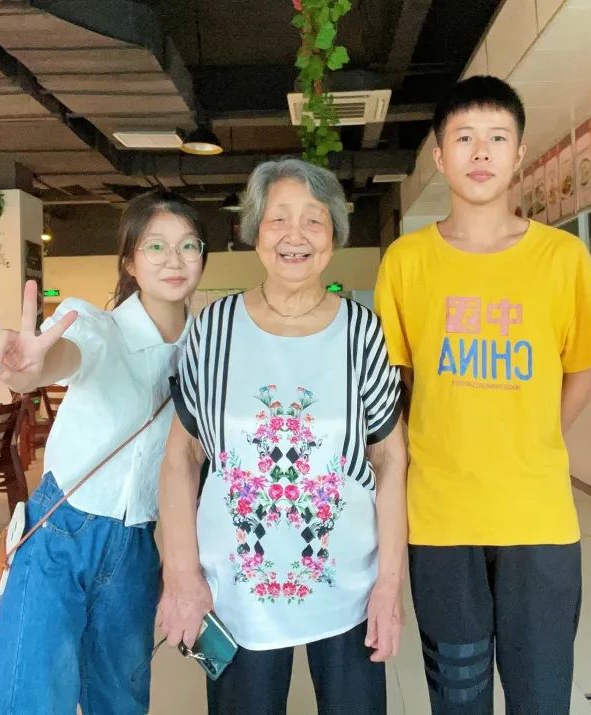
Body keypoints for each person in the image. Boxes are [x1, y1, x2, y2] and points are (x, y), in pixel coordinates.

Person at [374, 76, 591, 714]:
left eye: (497, 138)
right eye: (464, 138)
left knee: (540, 697)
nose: (480, 152)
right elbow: (395, 383)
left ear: (519, 154)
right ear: (439, 156)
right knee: (458, 697)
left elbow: (583, 375)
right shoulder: (405, 262)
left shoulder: (562, 257)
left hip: (537, 518)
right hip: (439, 519)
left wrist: (531, 438)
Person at [157, 158, 408, 715]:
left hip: (348, 588)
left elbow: (390, 457)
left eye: (314, 220)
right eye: (278, 219)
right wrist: (181, 576)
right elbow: (181, 456)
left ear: (334, 235)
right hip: (235, 591)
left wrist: (389, 585)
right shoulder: (213, 328)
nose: (296, 235)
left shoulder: (362, 331)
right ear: (255, 231)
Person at [0, 193, 207, 714]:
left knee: (120, 701)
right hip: (62, 530)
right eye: (155, 246)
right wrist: (32, 369)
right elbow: (68, 352)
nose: (173, 259)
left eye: (188, 245)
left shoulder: (203, 349)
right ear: (129, 262)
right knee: (28, 699)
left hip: (136, 545)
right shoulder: (100, 327)